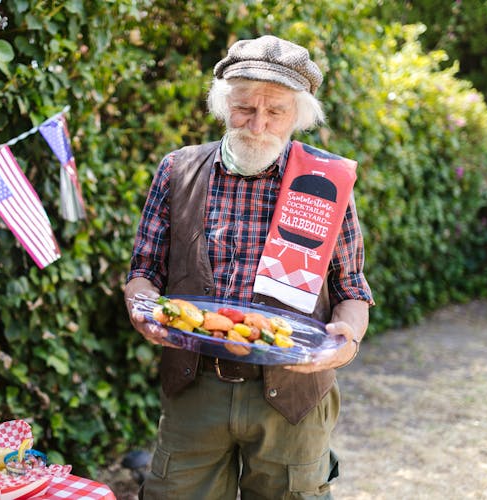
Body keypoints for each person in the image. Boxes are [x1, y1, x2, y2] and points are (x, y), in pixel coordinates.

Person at [124, 34, 374, 499]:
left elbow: (351, 289)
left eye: (276, 111)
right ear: (223, 105)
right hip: (195, 387)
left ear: (298, 117)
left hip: (292, 397)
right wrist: (141, 306)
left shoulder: (326, 183)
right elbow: (145, 270)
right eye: (244, 108)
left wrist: (345, 341)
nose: (258, 125)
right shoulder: (177, 170)